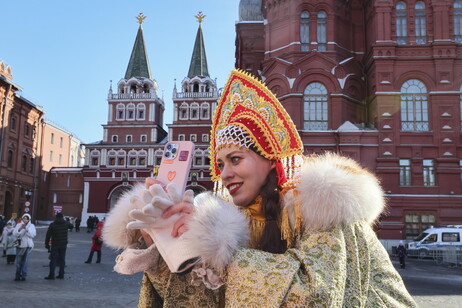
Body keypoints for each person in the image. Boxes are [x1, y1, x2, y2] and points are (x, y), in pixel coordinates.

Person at [104, 70, 417, 307]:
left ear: (270, 158)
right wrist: (168, 251)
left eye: (235, 159)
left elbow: (315, 295)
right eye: (220, 164)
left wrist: (224, 258)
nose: (225, 174)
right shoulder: (239, 219)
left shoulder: (322, 209)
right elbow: (211, 301)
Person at [44, 212, 72, 279]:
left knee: (53, 260)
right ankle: (61, 274)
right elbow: (71, 226)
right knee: (62, 259)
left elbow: (48, 235)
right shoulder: (66, 223)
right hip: (63, 244)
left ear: (56, 217)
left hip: (55, 244)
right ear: (62, 217)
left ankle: (51, 275)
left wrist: (47, 244)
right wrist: (66, 220)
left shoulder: (52, 224)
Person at [13, 213, 36, 281]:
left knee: (25, 262)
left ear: (29, 219)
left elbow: (33, 235)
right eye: (24, 218)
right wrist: (19, 229)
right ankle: (17, 275)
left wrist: (27, 230)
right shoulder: (18, 225)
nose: (25, 220)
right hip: (19, 245)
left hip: (27, 246)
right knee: (18, 261)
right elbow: (15, 234)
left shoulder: (31, 226)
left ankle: (24, 275)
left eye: (26, 219)